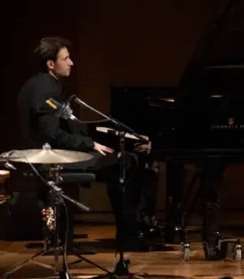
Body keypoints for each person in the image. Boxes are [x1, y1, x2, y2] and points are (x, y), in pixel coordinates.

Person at [15, 37, 147, 246]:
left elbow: (68, 127)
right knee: (125, 162)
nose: (71, 63)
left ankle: (128, 230)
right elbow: (53, 134)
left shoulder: (43, 84)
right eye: (66, 59)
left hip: (57, 154)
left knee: (121, 160)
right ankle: (130, 232)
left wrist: (112, 135)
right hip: (51, 160)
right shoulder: (44, 90)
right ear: (51, 64)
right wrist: (90, 145)